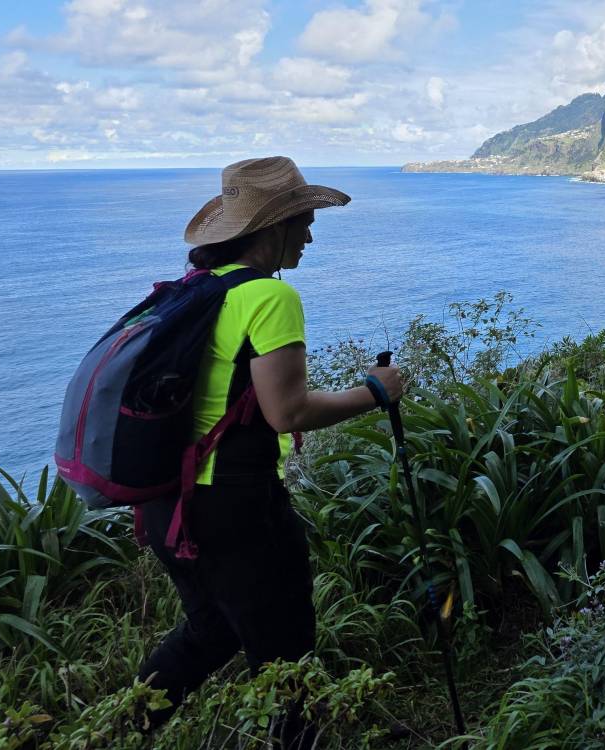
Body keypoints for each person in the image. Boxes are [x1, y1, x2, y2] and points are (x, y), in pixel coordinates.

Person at [134, 156, 406, 746]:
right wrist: (376, 392)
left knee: (211, 629)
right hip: (235, 509)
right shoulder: (268, 298)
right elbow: (289, 411)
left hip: (167, 506)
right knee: (286, 653)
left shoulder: (193, 289)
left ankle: (125, 727)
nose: (309, 233)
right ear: (271, 228)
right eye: (303, 221)